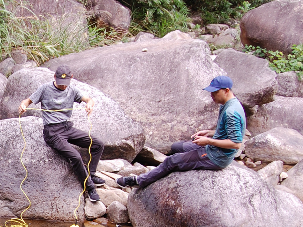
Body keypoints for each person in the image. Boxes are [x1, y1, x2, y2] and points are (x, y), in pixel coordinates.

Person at [117, 75, 246, 189]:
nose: (211, 95)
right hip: (213, 146)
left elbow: (236, 143)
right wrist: (209, 133)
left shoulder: (231, 112)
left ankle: (139, 181)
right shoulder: (227, 104)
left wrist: (208, 141)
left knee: (173, 160)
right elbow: (226, 131)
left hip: (217, 156)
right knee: (177, 147)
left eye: (215, 92)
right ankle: (161, 171)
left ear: (226, 90)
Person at [19, 65, 105, 202]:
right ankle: (90, 188)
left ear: (71, 78)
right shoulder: (45, 89)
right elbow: (27, 101)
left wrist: (89, 104)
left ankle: (91, 174)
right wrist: (23, 106)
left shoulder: (72, 90)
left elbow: (89, 99)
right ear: (54, 77)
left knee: (98, 144)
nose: (63, 86)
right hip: (52, 132)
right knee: (75, 156)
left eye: (65, 84)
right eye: (60, 83)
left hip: (67, 128)